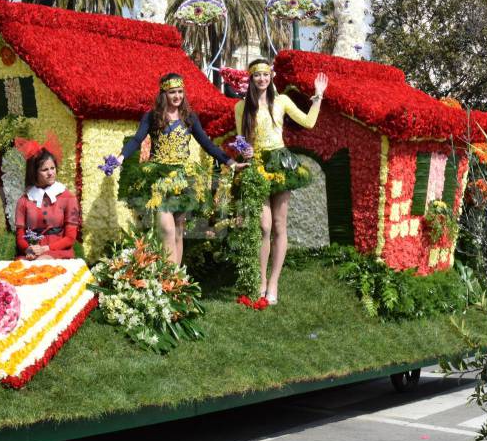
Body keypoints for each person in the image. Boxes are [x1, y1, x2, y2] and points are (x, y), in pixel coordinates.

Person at [116, 72, 245, 265]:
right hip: (159, 177)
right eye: (172, 92)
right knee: (166, 229)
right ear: (163, 94)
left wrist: (231, 162)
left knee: (177, 229)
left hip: (183, 179)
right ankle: (171, 279)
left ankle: (176, 282)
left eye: (180, 92)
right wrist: (120, 157)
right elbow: (137, 139)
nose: (177, 96)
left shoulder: (189, 117)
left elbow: (207, 145)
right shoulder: (152, 116)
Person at [234, 59, 328, 305]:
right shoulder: (241, 107)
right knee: (264, 226)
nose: (262, 79)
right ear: (252, 79)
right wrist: (245, 151)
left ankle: (273, 283)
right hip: (258, 166)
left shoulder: (283, 101)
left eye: (265, 75)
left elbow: (308, 122)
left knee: (278, 225)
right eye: (257, 76)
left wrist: (317, 96)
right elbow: (241, 139)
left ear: (270, 77)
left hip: (281, 163)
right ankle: (261, 280)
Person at [14, 135, 80, 260]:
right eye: (45, 170)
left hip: (58, 252)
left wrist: (46, 249)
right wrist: (28, 248)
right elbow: (20, 236)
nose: (50, 173)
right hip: (30, 253)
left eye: (52, 168)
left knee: (41, 263)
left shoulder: (68, 198)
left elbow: (70, 238)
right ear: (34, 172)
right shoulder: (24, 200)